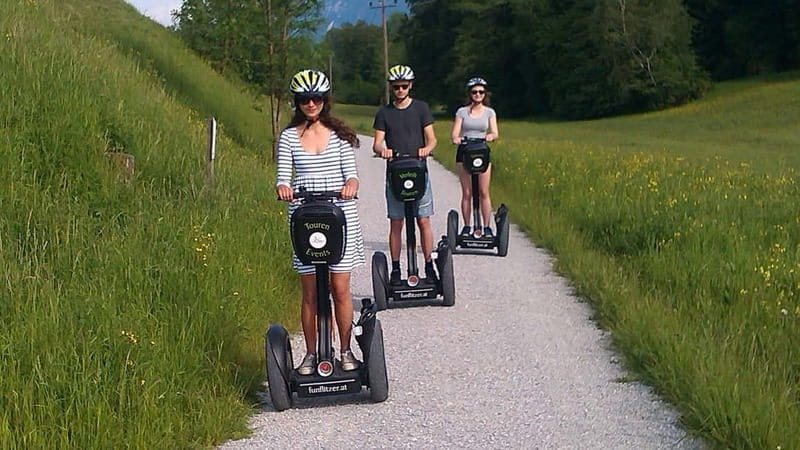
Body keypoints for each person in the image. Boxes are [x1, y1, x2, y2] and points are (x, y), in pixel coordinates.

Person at [275, 69, 365, 375]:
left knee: (340, 288)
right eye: (304, 99)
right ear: (297, 102)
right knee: (311, 291)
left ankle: (345, 350)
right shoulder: (289, 136)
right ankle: (311, 354)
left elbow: (350, 173)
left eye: (316, 98)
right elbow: (282, 175)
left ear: (324, 101)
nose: (310, 104)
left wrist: (351, 184)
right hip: (304, 215)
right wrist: (283, 188)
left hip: (339, 214)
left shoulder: (339, 136)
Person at [372, 64, 438, 284]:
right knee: (396, 222)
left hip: (419, 171)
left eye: (404, 86)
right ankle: (396, 270)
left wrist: (427, 148)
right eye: (396, 86)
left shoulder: (421, 109)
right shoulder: (384, 113)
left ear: (410, 86)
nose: (400, 90)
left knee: (423, 220)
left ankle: (429, 265)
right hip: (396, 173)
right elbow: (377, 143)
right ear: (391, 88)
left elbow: (432, 138)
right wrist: (384, 150)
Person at [450, 77, 499, 237]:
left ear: (485, 94)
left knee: (484, 191)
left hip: (482, 152)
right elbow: (455, 133)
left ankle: (486, 227)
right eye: (474, 92)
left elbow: (495, 132)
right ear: (470, 94)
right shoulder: (462, 112)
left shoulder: (489, 112)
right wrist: (457, 139)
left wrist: (491, 136)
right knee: (467, 192)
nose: (478, 94)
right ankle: (466, 227)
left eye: (481, 92)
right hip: (465, 152)